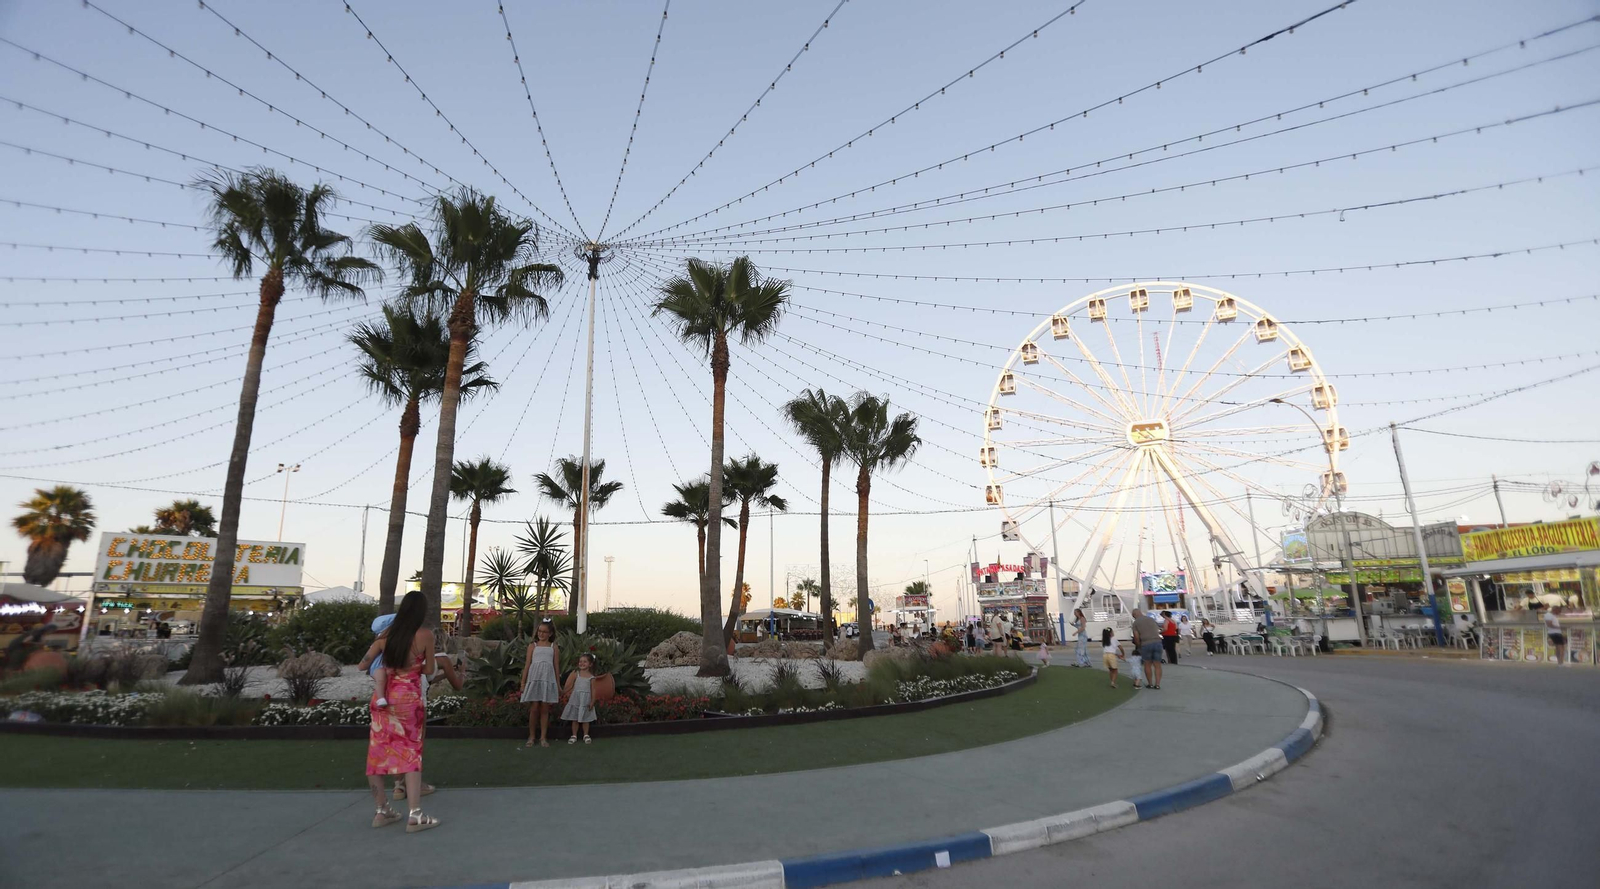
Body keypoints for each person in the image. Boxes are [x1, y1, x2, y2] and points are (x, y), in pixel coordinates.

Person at [364, 590, 438, 832]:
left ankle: (381, 810)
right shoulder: (425, 635)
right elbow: (428, 670)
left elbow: (364, 663)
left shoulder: (386, 636)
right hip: (408, 700)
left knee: (377, 755)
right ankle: (415, 815)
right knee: (411, 754)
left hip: (383, 700)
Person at [518, 620, 562, 747]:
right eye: (539, 631)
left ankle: (543, 737)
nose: (541, 634)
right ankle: (531, 736)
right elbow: (527, 665)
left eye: (544, 632)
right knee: (534, 708)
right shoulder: (533, 646)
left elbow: (556, 666)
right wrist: (523, 682)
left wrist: (558, 684)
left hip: (547, 679)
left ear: (550, 633)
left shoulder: (554, 647)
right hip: (534, 678)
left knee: (544, 708)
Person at [562, 652, 599, 743]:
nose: (582, 663)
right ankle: (574, 735)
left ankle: (585, 734)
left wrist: (592, 701)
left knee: (585, 718)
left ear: (590, 664)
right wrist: (563, 692)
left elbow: (593, 690)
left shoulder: (591, 677)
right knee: (575, 718)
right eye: (580, 661)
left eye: (585, 662)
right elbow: (570, 686)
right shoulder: (576, 674)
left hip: (585, 700)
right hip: (576, 699)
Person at [1131, 608, 1163, 689]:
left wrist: (1139, 646)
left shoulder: (1135, 623)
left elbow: (1136, 637)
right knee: (1157, 665)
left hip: (1146, 643)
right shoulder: (1151, 619)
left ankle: (1150, 683)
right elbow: (1158, 630)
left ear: (1134, 615)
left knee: (1147, 664)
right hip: (1157, 642)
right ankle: (1158, 684)